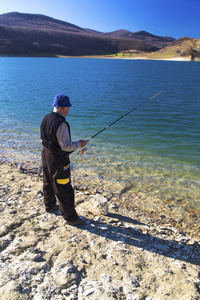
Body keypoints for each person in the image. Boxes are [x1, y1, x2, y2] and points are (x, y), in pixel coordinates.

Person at [40, 94, 87, 225]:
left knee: (48, 181)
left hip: (45, 154)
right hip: (58, 159)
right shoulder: (61, 123)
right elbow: (65, 146)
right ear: (61, 108)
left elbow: (44, 138)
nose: (69, 109)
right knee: (64, 187)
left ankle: (49, 206)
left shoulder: (46, 118)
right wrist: (80, 144)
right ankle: (71, 218)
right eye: (68, 107)